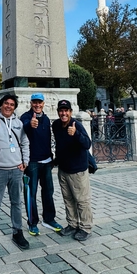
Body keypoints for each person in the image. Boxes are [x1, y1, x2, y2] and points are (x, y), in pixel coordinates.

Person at [0, 94, 30, 252]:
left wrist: (25, 161)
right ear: (1, 105)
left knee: (17, 202)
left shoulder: (18, 123)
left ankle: (17, 232)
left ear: (14, 107)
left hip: (16, 169)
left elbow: (25, 142)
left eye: (12, 104)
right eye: (6, 103)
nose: (8, 106)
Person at [20, 93, 63, 236]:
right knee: (31, 193)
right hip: (32, 161)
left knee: (48, 192)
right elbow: (23, 130)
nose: (37, 105)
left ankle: (49, 219)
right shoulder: (26, 117)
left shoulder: (45, 119)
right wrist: (29, 125)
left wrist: (51, 157)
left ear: (43, 103)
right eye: (35, 102)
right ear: (31, 103)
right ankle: (32, 222)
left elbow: (47, 139)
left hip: (46, 161)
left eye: (40, 102)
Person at [52, 100, 93, 241]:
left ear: (70, 112)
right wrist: (56, 160)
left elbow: (87, 144)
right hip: (63, 169)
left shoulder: (77, 125)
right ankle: (72, 223)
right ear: (58, 112)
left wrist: (76, 134)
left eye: (66, 111)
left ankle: (85, 227)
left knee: (82, 200)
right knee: (68, 199)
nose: (64, 113)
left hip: (77, 170)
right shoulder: (56, 125)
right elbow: (60, 145)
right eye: (61, 110)